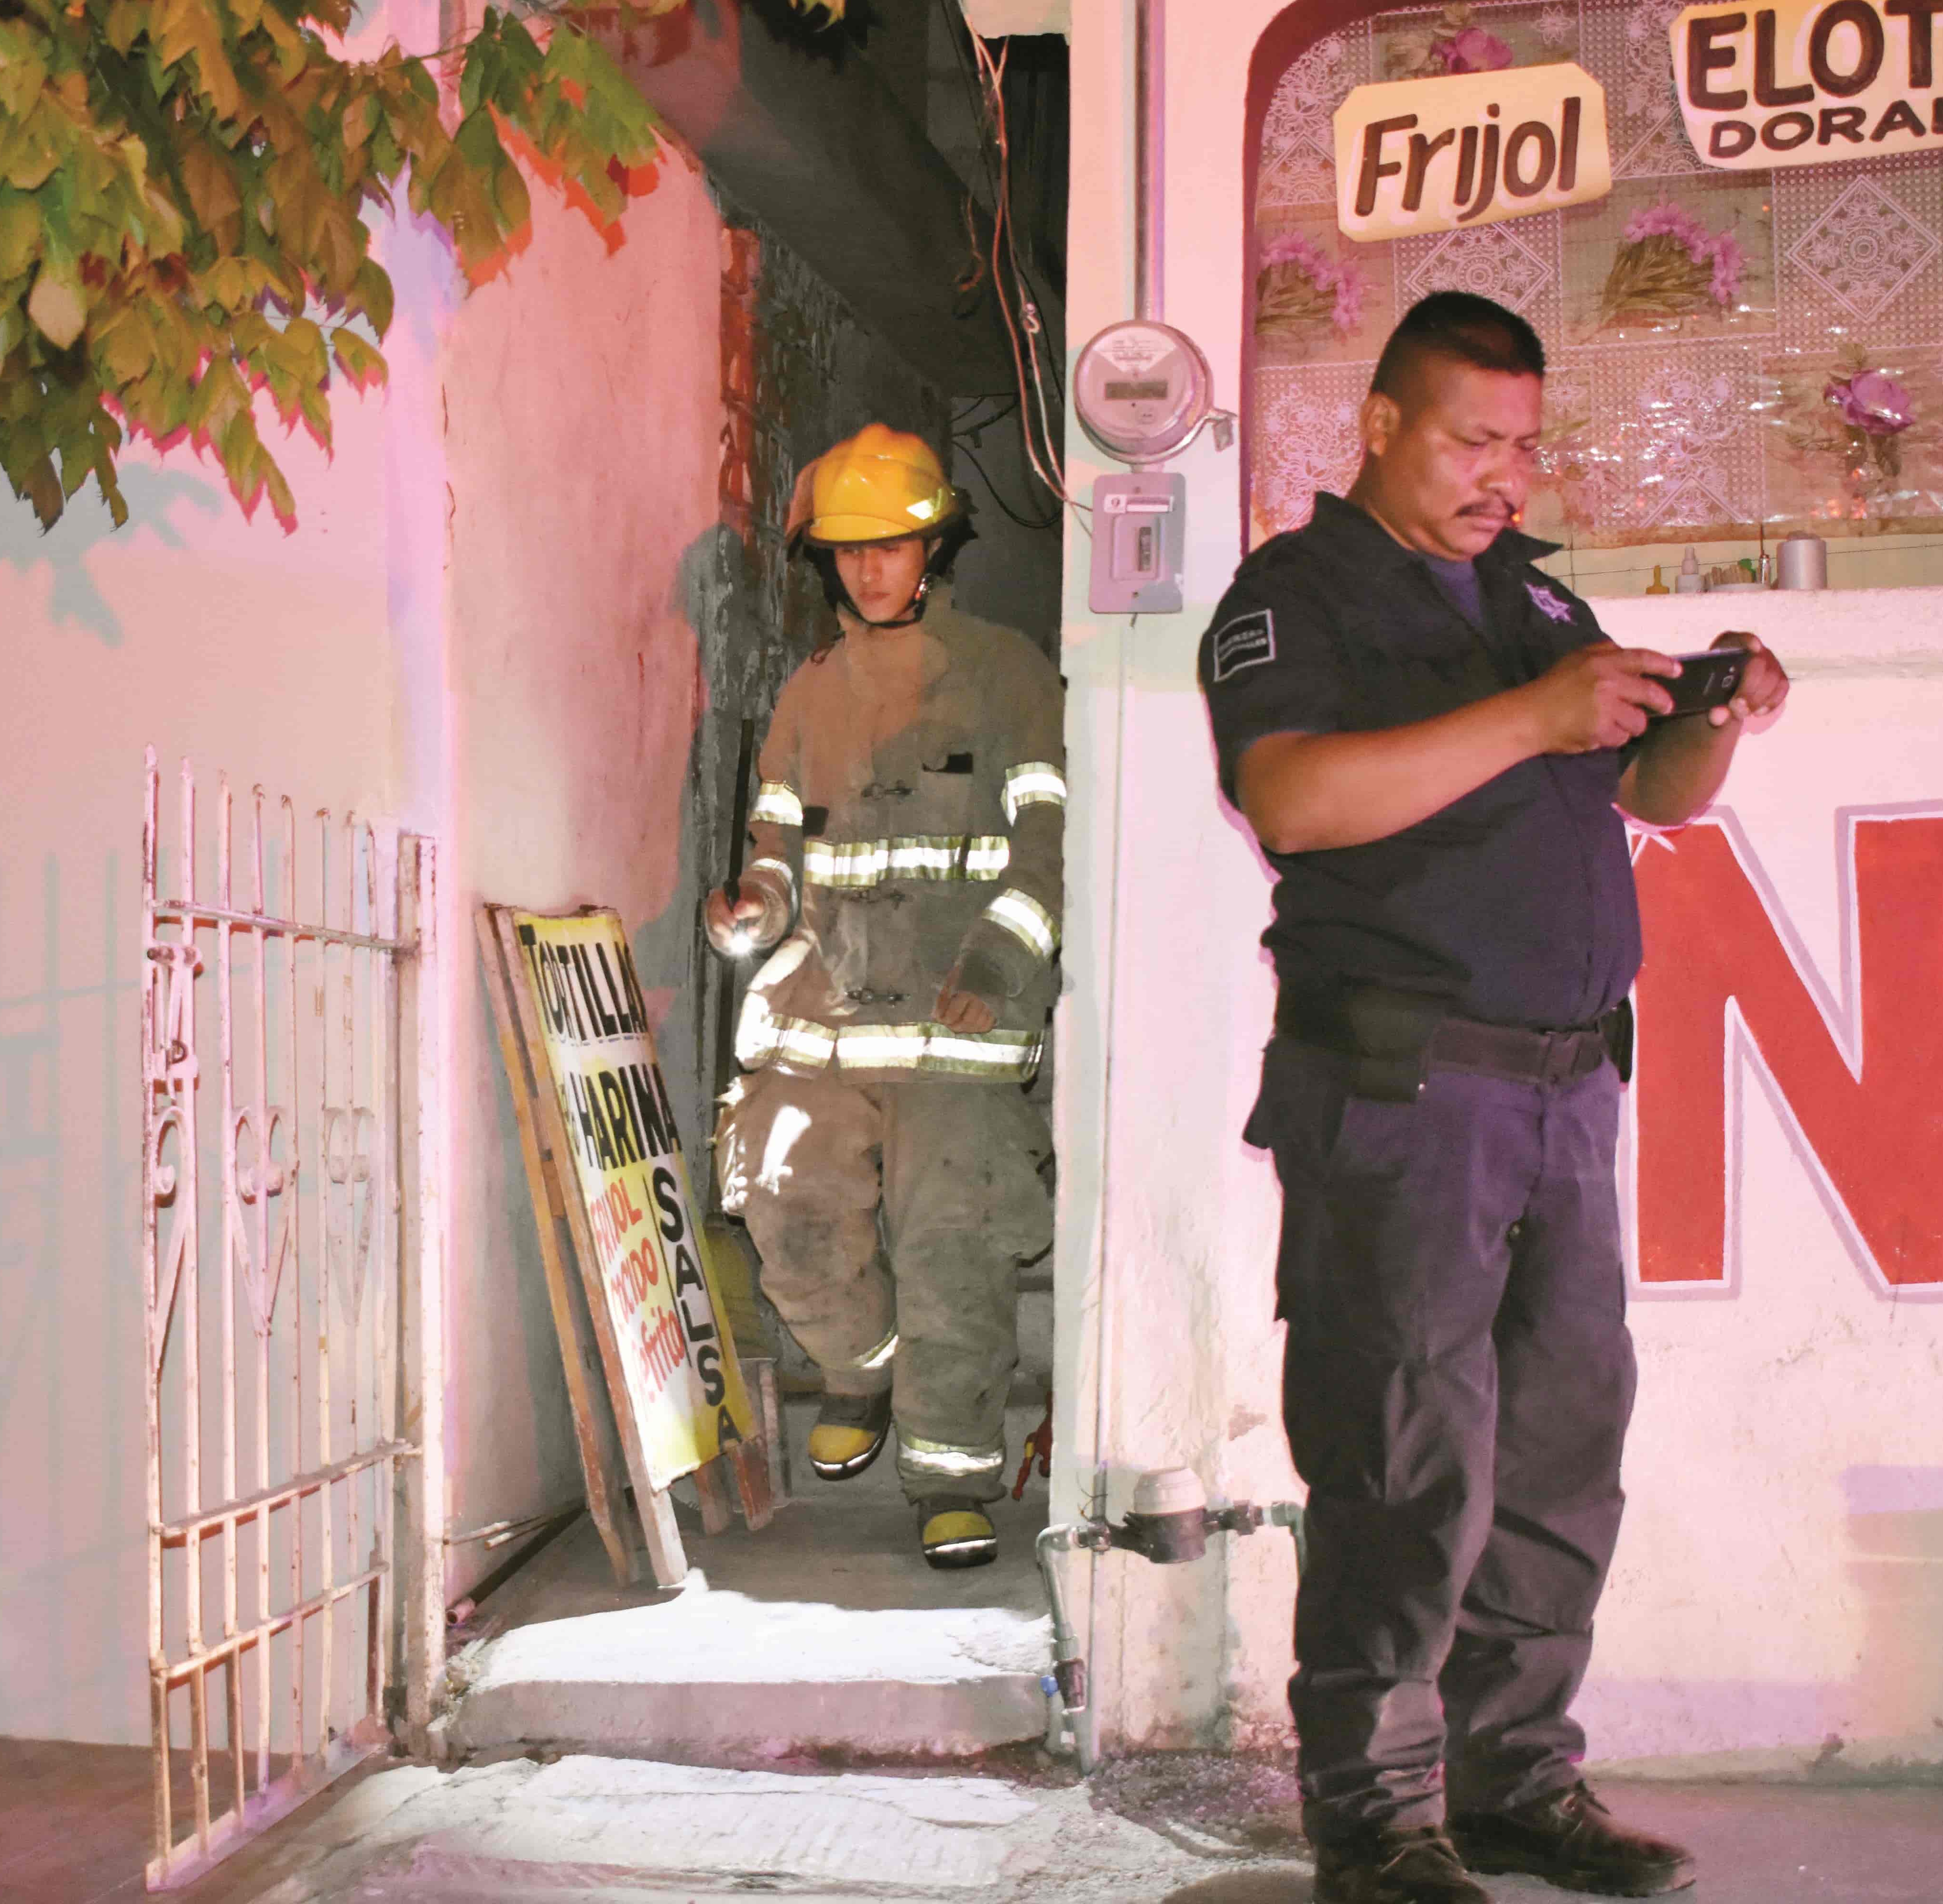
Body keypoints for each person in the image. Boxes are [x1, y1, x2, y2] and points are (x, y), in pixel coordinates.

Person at [1197, 293, 1788, 1903]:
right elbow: (1297, 801)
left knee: (1555, 1460)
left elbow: (1646, 793)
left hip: (1565, 1092)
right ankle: (1378, 1826)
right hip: (1401, 1095)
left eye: (1524, 445)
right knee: (1401, 1466)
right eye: (1470, 439)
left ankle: (1516, 1782)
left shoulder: (1533, 595)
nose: (1502, 475)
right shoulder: (1292, 597)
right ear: (1377, 423)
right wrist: (1535, 712)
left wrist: (1708, 723)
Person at [705, 424, 1065, 1571]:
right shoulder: (809, 694)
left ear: (933, 547)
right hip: (831, 1011)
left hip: (961, 1028)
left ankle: (950, 1477)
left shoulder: (1007, 671)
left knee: (954, 1244)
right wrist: (751, 909)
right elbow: (775, 844)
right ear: (828, 560)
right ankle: (862, 1367)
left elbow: (1047, 840)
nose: (869, 570)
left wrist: (1005, 962)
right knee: (779, 1191)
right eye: (849, 549)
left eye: (893, 545)